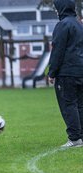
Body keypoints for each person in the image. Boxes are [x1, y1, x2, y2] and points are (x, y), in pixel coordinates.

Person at [48, 0, 83, 148]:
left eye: (56, 8)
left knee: (68, 104)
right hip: (81, 71)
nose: (56, 11)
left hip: (67, 72)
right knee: (80, 105)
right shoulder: (79, 25)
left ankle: (74, 138)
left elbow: (58, 50)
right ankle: (80, 137)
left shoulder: (62, 25)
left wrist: (52, 72)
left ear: (61, 8)